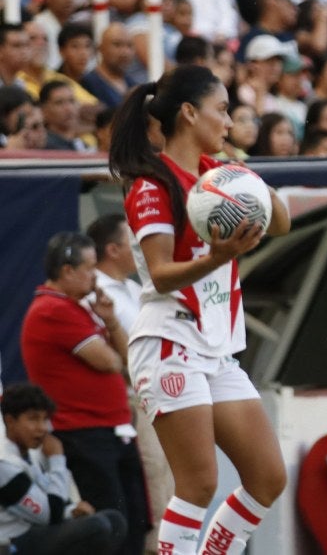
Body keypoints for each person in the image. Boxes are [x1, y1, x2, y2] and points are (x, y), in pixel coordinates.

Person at [109, 63, 290, 555]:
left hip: (214, 348)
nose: (230, 123)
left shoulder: (219, 176)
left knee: (268, 477)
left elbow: (282, 223)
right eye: (223, 111)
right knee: (198, 484)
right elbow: (162, 273)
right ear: (189, 113)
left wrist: (244, 177)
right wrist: (218, 258)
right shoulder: (150, 184)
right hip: (168, 343)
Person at [19, 231, 150, 555]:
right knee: (114, 523)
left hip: (111, 429)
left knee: (135, 519)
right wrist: (114, 352)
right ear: (67, 271)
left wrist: (111, 322)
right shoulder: (52, 309)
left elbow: (126, 362)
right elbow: (110, 362)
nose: (95, 278)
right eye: (91, 268)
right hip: (85, 432)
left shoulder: (78, 308)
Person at [88, 212, 176, 554]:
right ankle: (153, 547)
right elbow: (115, 354)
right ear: (112, 249)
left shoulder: (134, 287)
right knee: (151, 471)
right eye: (132, 242)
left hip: (161, 390)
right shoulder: (95, 292)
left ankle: (169, 545)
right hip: (129, 393)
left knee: (169, 473)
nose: (139, 248)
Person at [0, 382, 127, 554]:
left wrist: (71, 511)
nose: (42, 428)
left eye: (45, 419)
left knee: (115, 519)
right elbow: (50, 515)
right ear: (10, 421)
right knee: (97, 527)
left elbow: (52, 502)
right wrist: (57, 459)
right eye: (33, 419)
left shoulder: (28, 454)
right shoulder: (4, 463)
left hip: (34, 531)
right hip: (11, 543)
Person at [81, 23, 142, 108]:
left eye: (129, 45)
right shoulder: (88, 83)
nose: (125, 52)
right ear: (100, 48)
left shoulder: (133, 84)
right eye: (117, 44)